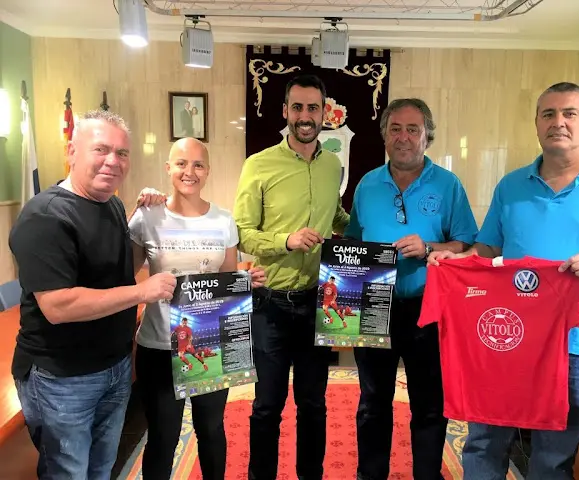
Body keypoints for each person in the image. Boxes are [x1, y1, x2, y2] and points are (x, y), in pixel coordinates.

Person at [429, 82, 579, 479]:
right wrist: (457, 260)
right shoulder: (511, 186)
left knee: (552, 458)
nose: (558, 122)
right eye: (548, 114)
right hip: (507, 336)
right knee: (484, 441)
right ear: (537, 124)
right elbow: (488, 249)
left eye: (569, 113)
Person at [8, 110, 177, 479]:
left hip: (114, 366)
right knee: (68, 473)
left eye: (122, 153)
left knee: (101, 468)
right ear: (72, 151)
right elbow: (59, 306)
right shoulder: (46, 216)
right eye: (101, 149)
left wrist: (142, 215)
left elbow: (118, 269)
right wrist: (142, 292)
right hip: (62, 377)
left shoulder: (111, 204)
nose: (112, 161)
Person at [345, 98, 478, 480]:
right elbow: (353, 239)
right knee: (373, 402)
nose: (403, 137)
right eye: (395, 129)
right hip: (374, 306)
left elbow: (468, 244)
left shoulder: (448, 185)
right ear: (384, 135)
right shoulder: (367, 184)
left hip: (429, 308)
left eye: (412, 129)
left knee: (429, 404)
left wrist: (430, 248)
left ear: (427, 137)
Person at [233, 73, 350, 480]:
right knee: (267, 406)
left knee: (314, 405)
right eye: (297, 107)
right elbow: (242, 233)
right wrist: (287, 240)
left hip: (318, 304)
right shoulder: (258, 165)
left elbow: (336, 216)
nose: (305, 116)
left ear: (325, 113)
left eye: (313, 108)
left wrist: (370, 234)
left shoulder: (332, 164)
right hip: (271, 307)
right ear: (285, 111)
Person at [128, 137, 266, 480]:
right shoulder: (147, 216)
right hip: (159, 345)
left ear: (207, 171)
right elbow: (124, 275)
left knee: (211, 429)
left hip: (210, 343)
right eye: (181, 163)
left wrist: (246, 283)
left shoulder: (223, 220)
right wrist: (134, 209)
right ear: (168, 168)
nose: (189, 172)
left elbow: (228, 281)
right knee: (163, 436)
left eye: (198, 165)